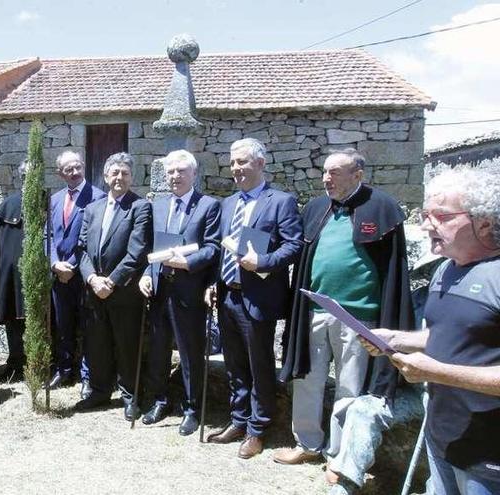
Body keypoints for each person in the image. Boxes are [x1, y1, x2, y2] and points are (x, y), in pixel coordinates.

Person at [274, 149, 414, 471]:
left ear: (358, 175)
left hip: (358, 315)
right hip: (314, 308)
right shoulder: (316, 208)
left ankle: (338, 456)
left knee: (350, 386)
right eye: (325, 172)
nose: (326, 179)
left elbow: (394, 270)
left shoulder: (382, 208)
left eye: (335, 172)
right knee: (307, 379)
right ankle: (307, 444)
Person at [363, 167, 500, 495]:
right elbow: (453, 334)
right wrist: (398, 339)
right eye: (425, 215)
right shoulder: (445, 269)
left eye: (441, 215)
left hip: (489, 455)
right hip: (443, 438)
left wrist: (438, 372)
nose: (426, 225)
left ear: (484, 221)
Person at [205, 139, 303, 458]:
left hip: (258, 298)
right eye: (233, 163)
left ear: (261, 164)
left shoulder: (281, 202)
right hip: (228, 297)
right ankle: (238, 419)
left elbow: (293, 245)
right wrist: (213, 282)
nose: (236, 169)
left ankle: (258, 429)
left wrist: (263, 262)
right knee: (234, 364)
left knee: (259, 365)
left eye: (243, 162)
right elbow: (220, 250)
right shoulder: (227, 204)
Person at [137, 150, 221, 436]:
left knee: (190, 353)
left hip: (189, 292)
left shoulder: (209, 206)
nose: (175, 176)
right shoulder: (158, 206)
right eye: (170, 171)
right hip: (159, 291)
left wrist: (188, 262)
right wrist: (147, 276)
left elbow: (213, 247)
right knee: (158, 350)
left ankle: (192, 408)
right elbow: (151, 250)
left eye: (181, 171)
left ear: (194, 174)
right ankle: (159, 401)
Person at [76, 152, 152, 418]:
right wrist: (92, 279)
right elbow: (81, 248)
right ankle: (99, 392)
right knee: (97, 344)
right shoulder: (92, 208)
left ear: (132, 177)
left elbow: (137, 251)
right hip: (94, 290)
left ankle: (130, 396)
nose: (119, 177)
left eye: (125, 173)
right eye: (115, 173)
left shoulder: (140, 207)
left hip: (124, 292)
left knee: (127, 344)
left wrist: (111, 281)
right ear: (106, 176)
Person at [47, 151, 106, 397]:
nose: (74, 172)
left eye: (77, 166)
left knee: (88, 327)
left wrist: (70, 266)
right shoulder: (55, 199)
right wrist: (54, 264)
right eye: (68, 169)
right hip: (59, 275)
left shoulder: (98, 197)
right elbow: (47, 235)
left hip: (83, 273)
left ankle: (87, 376)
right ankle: (63, 369)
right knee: (63, 326)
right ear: (60, 173)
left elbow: (92, 239)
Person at [0, 161, 29, 382]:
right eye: (25, 174)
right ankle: (15, 362)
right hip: (11, 274)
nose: (29, 178)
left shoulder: (51, 202)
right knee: (13, 320)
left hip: (41, 273)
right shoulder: (7, 205)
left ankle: (42, 363)